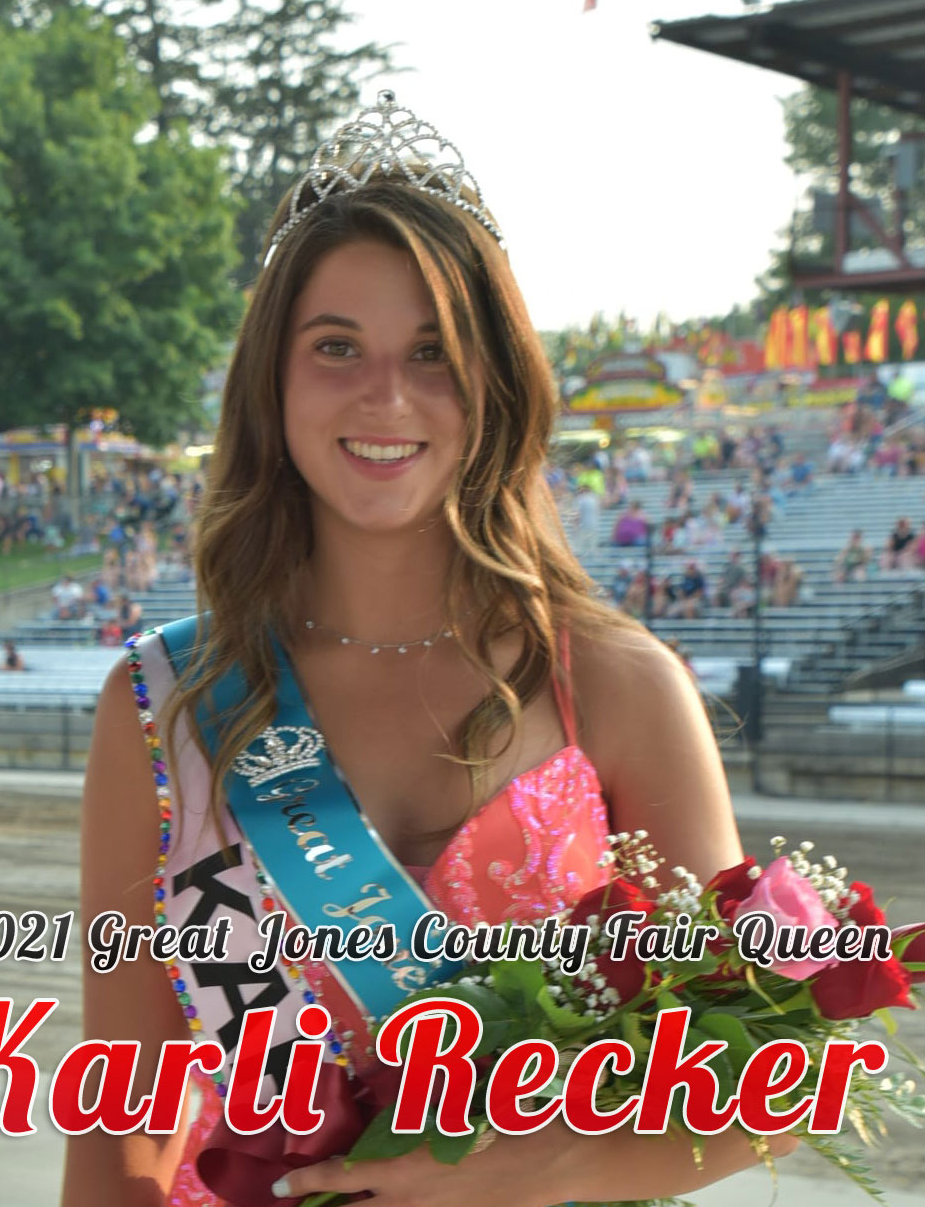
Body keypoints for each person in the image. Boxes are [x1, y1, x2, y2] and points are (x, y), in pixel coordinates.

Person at [66, 90, 793, 1206]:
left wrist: (543, 1165)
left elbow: (770, 1088)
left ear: (495, 384)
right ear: (273, 378)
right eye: (336, 346)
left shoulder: (616, 686)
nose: (386, 394)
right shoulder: (163, 702)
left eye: (436, 353)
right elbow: (120, 1132)